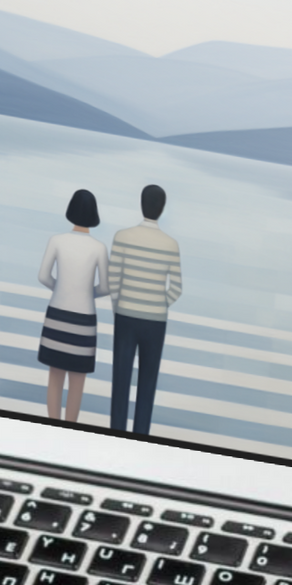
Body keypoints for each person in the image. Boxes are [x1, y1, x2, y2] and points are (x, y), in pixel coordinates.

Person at [108, 185, 183, 436]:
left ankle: (116, 434)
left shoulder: (122, 236)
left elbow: (113, 281)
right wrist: (159, 305)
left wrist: (120, 307)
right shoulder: (171, 244)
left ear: (141, 204)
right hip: (156, 322)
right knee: (147, 385)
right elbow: (177, 288)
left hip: (126, 316)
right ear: (162, 209)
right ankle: (141, 437)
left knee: (120, 381)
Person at [36, 189, 108, 424]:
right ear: (94, 215)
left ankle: (52, 426)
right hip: (84, 320)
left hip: (57, 314)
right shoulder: (99, 248)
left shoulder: (56, 240)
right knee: (78, 380)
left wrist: (62, 289)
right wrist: (86, 292)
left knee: (54, 377)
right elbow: (106, 287)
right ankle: (71, 429)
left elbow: (44, 277)